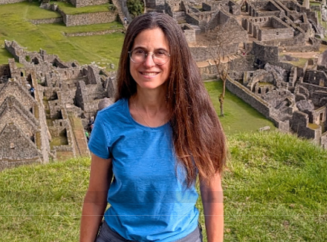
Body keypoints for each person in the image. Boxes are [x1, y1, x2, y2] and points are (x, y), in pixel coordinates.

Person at [80, 12, 226, 242]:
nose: (148, 62)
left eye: (160, 53)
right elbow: (96, 195)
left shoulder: (197, 120)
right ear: (128, 56)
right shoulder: (108, 121)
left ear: (175, 58)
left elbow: (212, 195)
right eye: (140, 52)